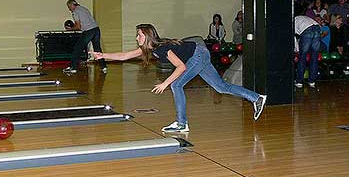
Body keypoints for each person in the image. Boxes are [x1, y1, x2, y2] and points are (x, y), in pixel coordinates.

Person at [92, 24, 267, 133]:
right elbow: (124, 56)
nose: (136, 37)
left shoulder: (162, 49)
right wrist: (103, 55)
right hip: (199, 53)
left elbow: (181, 67)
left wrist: (165, 83)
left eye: (139, 34)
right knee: (221, 87)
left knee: (176, 85)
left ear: (147, 35)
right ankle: (257, 98)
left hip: (197, 55)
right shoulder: (150, 48)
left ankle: (182, 124)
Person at [63, 0, 107, 74]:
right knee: (97, 49)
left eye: (69, 7)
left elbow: (79, 27)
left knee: (77, 48)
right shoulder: (84, 8)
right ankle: (103, 67)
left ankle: (73, 67)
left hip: (88, 31)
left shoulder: (75, 12)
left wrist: (70, 29)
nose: (69, 9)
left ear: (72, 5)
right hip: (96, 29)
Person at [294, 15, 322, 88]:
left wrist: (297, 50)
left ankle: (299, 81)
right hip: (317, 27)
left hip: (307, 30)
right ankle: (312, 81)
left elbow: (294, 38)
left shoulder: (293, 21)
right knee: (314, 57)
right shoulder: (303, 17)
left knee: (302, 57)